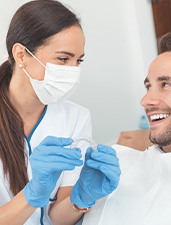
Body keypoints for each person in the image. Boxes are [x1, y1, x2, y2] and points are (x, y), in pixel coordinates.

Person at [82, 31, 171, 225]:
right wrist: (78, 201)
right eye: (148, 87)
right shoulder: (116, 165)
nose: (146, 101)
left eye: (166, 85)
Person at [0, 1, 120, 225]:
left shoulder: (76, 117)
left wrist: (82, 197)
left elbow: (57, 219)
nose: (73, 70)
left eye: (78, 60)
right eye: (63, 59)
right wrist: (32, 194)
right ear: (21, 54)